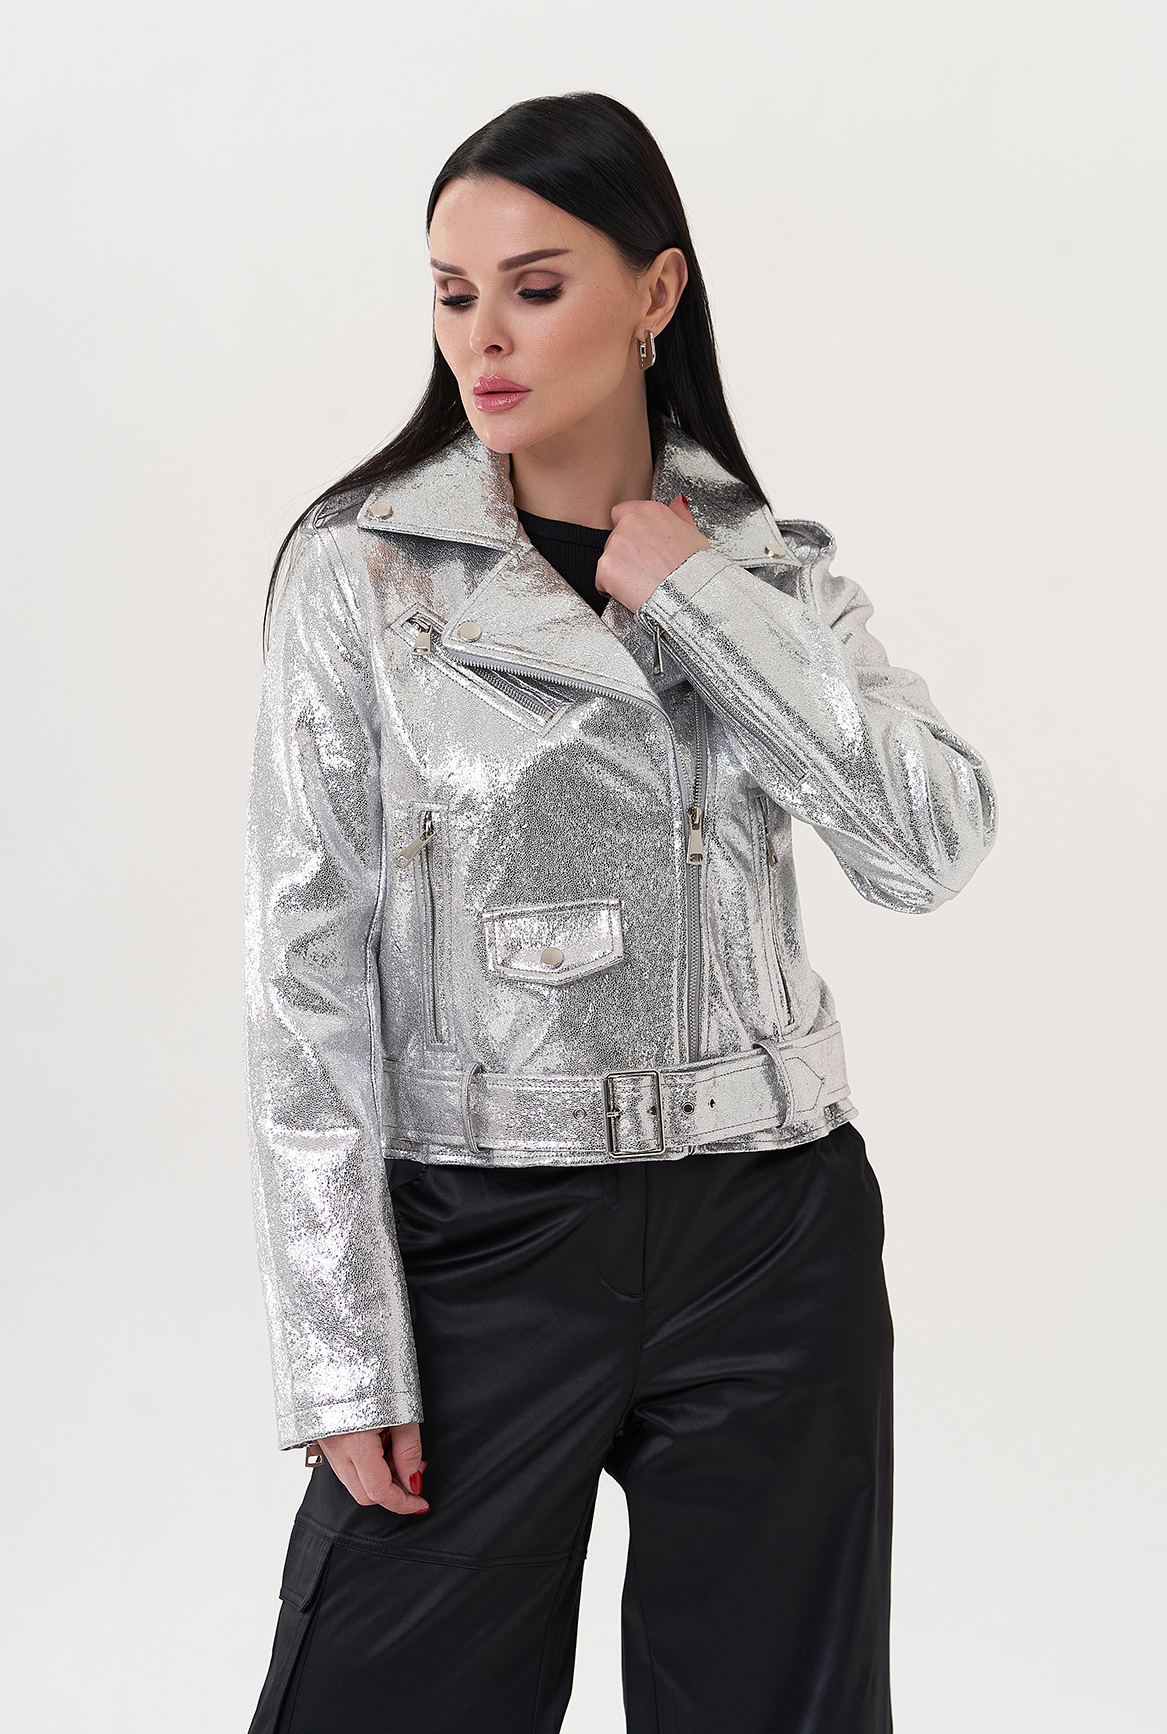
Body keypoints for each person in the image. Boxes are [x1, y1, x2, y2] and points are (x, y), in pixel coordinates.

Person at [244, 91, 997, 1734]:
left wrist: (704, 597)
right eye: (454, 293)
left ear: (656, 292)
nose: (483, 336)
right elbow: (306, 973)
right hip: (482, 1241)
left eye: (535, 286)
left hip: (771, 1232)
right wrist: (340, 1344)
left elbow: (930, 844)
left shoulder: (767, 566)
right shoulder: (364, 571)